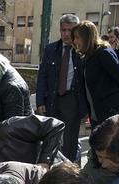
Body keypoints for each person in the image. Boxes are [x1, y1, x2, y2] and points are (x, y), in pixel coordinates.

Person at [36, 14, 89, 162]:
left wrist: (85, 108)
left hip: (72, 99)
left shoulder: (82, 52)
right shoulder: (51, 49)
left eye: (69, 30)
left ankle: (69, 170)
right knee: (51, 137)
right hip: (52, 99)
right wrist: (40, 101)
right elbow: (43, 76)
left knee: (70, 140)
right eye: (63, 30)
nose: (66, 34)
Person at [71, 21, 119, 128]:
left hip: (114, 113)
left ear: (87, 37)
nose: (75, 41)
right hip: (98, 115)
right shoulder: (86, 58)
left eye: (77, 37)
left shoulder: (103, 53)